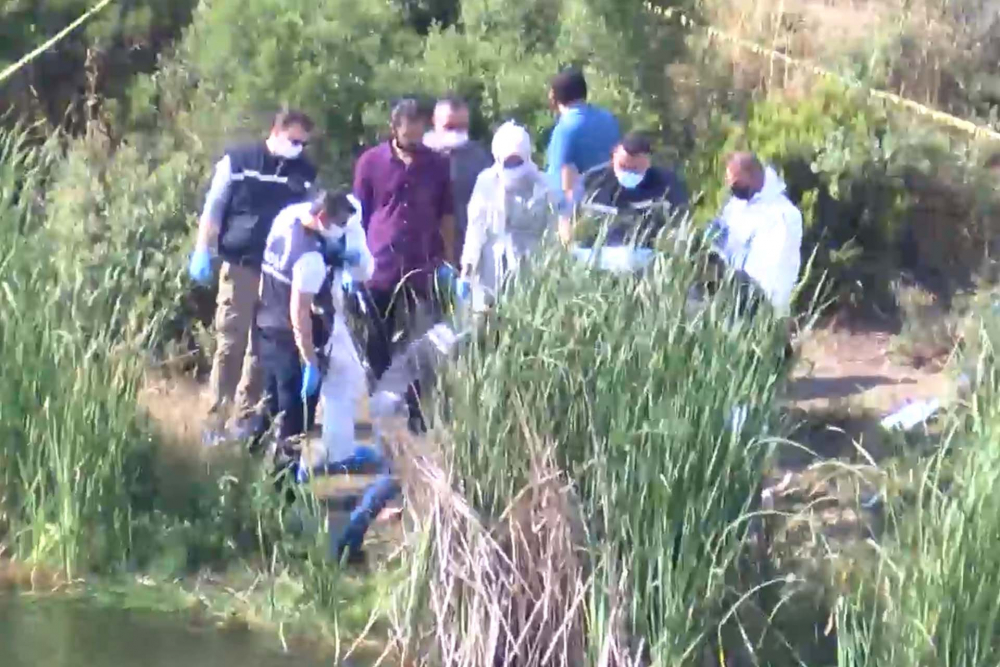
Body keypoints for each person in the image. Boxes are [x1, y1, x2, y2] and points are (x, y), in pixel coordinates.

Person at [188, 109, 317, 443]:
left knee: (261, 349)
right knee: (231, 343)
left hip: (276, 273)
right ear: (275, 131)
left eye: (303, 143)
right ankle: (215, 421)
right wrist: (204, 249)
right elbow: (214, 209)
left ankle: (245, 422)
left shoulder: (304, 174)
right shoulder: (239, 161)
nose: (298, 149)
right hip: (240, 265)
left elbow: (310, 217)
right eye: (293, 141)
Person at [353, 98, 455, 430]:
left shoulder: (437, 165)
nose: (413, 132)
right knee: (378, 340)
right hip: (380, 265)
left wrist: (448, 262)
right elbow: (360, 214)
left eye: (419, 127)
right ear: (394, 127)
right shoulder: (371, 162)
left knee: (420, 339)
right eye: (407, 126)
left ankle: (416, 410)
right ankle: (382, 408)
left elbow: (447, 215)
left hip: (421, 265)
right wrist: (355, 259)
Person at [255, 189, 365, 460]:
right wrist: (310, 363)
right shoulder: (310, 259)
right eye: (339, 225)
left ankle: (250, 469)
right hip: (291, 342)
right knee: (295, 422)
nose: (341, 232)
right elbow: (300, 313)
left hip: (265, 327)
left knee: (268, 407)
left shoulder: (285, 220)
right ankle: (285, 491)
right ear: (324, 217)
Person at [460, 121, 556, 295]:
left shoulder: (543, 185)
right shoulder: (486, 182)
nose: (513, 166)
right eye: (508, 161)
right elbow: (475, 228)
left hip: (530, 270)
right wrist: (467, 269)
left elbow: (552, 232)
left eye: (517, 161)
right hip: (491, 270)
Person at [709, 152, 803, 315]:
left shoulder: (783, 216)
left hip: (759, 306)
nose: (732, 189)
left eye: (736, 183)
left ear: (753, 176)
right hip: (729, 299)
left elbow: (774, 275)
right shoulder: (735, 206)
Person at [544, 68, 621, 244]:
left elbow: (560, 185)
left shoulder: (565, 129)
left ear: (555, 97)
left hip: (579, 220)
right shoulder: (608, 119)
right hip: (610, 210)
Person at [580, 132, 688, 246]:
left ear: (648, 162)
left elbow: (680, 219)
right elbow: (576, 220)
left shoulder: (666, 184)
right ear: (613, 157)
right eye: (623, 166)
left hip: (648, 251)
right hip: (601, 252)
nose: (628, 172)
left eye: (635, 169)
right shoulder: (593, 181)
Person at [423, 95, 494, 260]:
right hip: (426, 254)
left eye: (462, 128)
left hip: (470, 252)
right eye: (450, 127)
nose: (456, 134)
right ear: (434, 121)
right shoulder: (419, 158)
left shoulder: (480, 158)